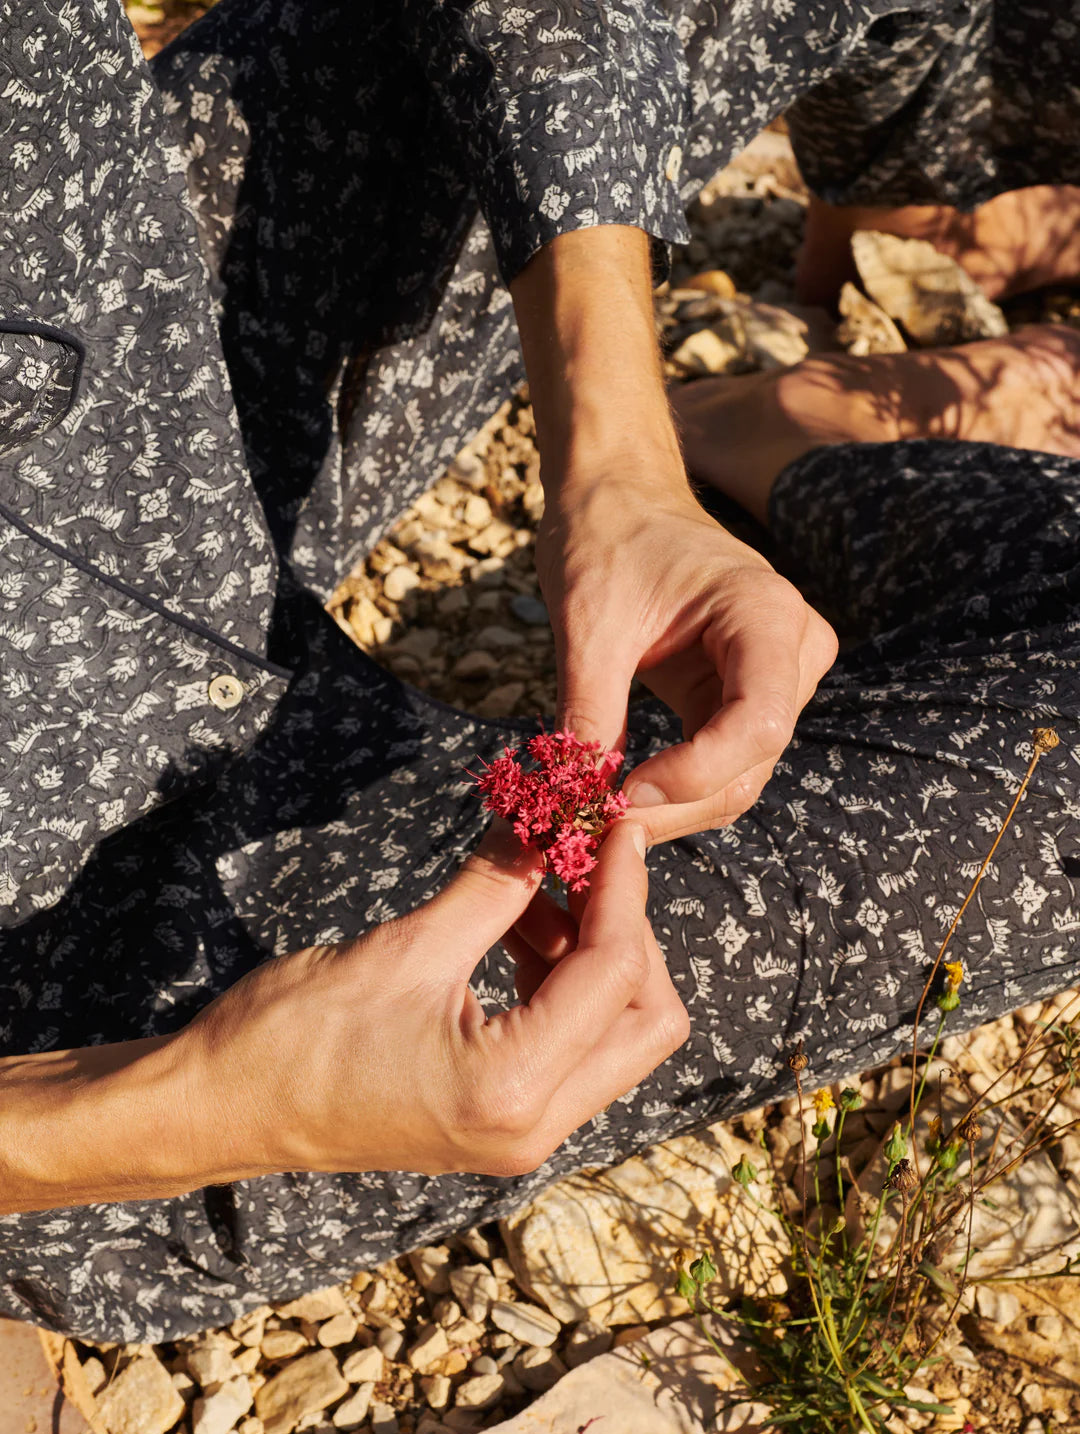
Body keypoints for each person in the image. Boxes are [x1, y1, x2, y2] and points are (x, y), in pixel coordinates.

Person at [0, 0, 1079, 1341]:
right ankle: (808, 432)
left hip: (111, 340)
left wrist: (618, 452)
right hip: (92, 981)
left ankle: (905, 206)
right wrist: (161, 1109)